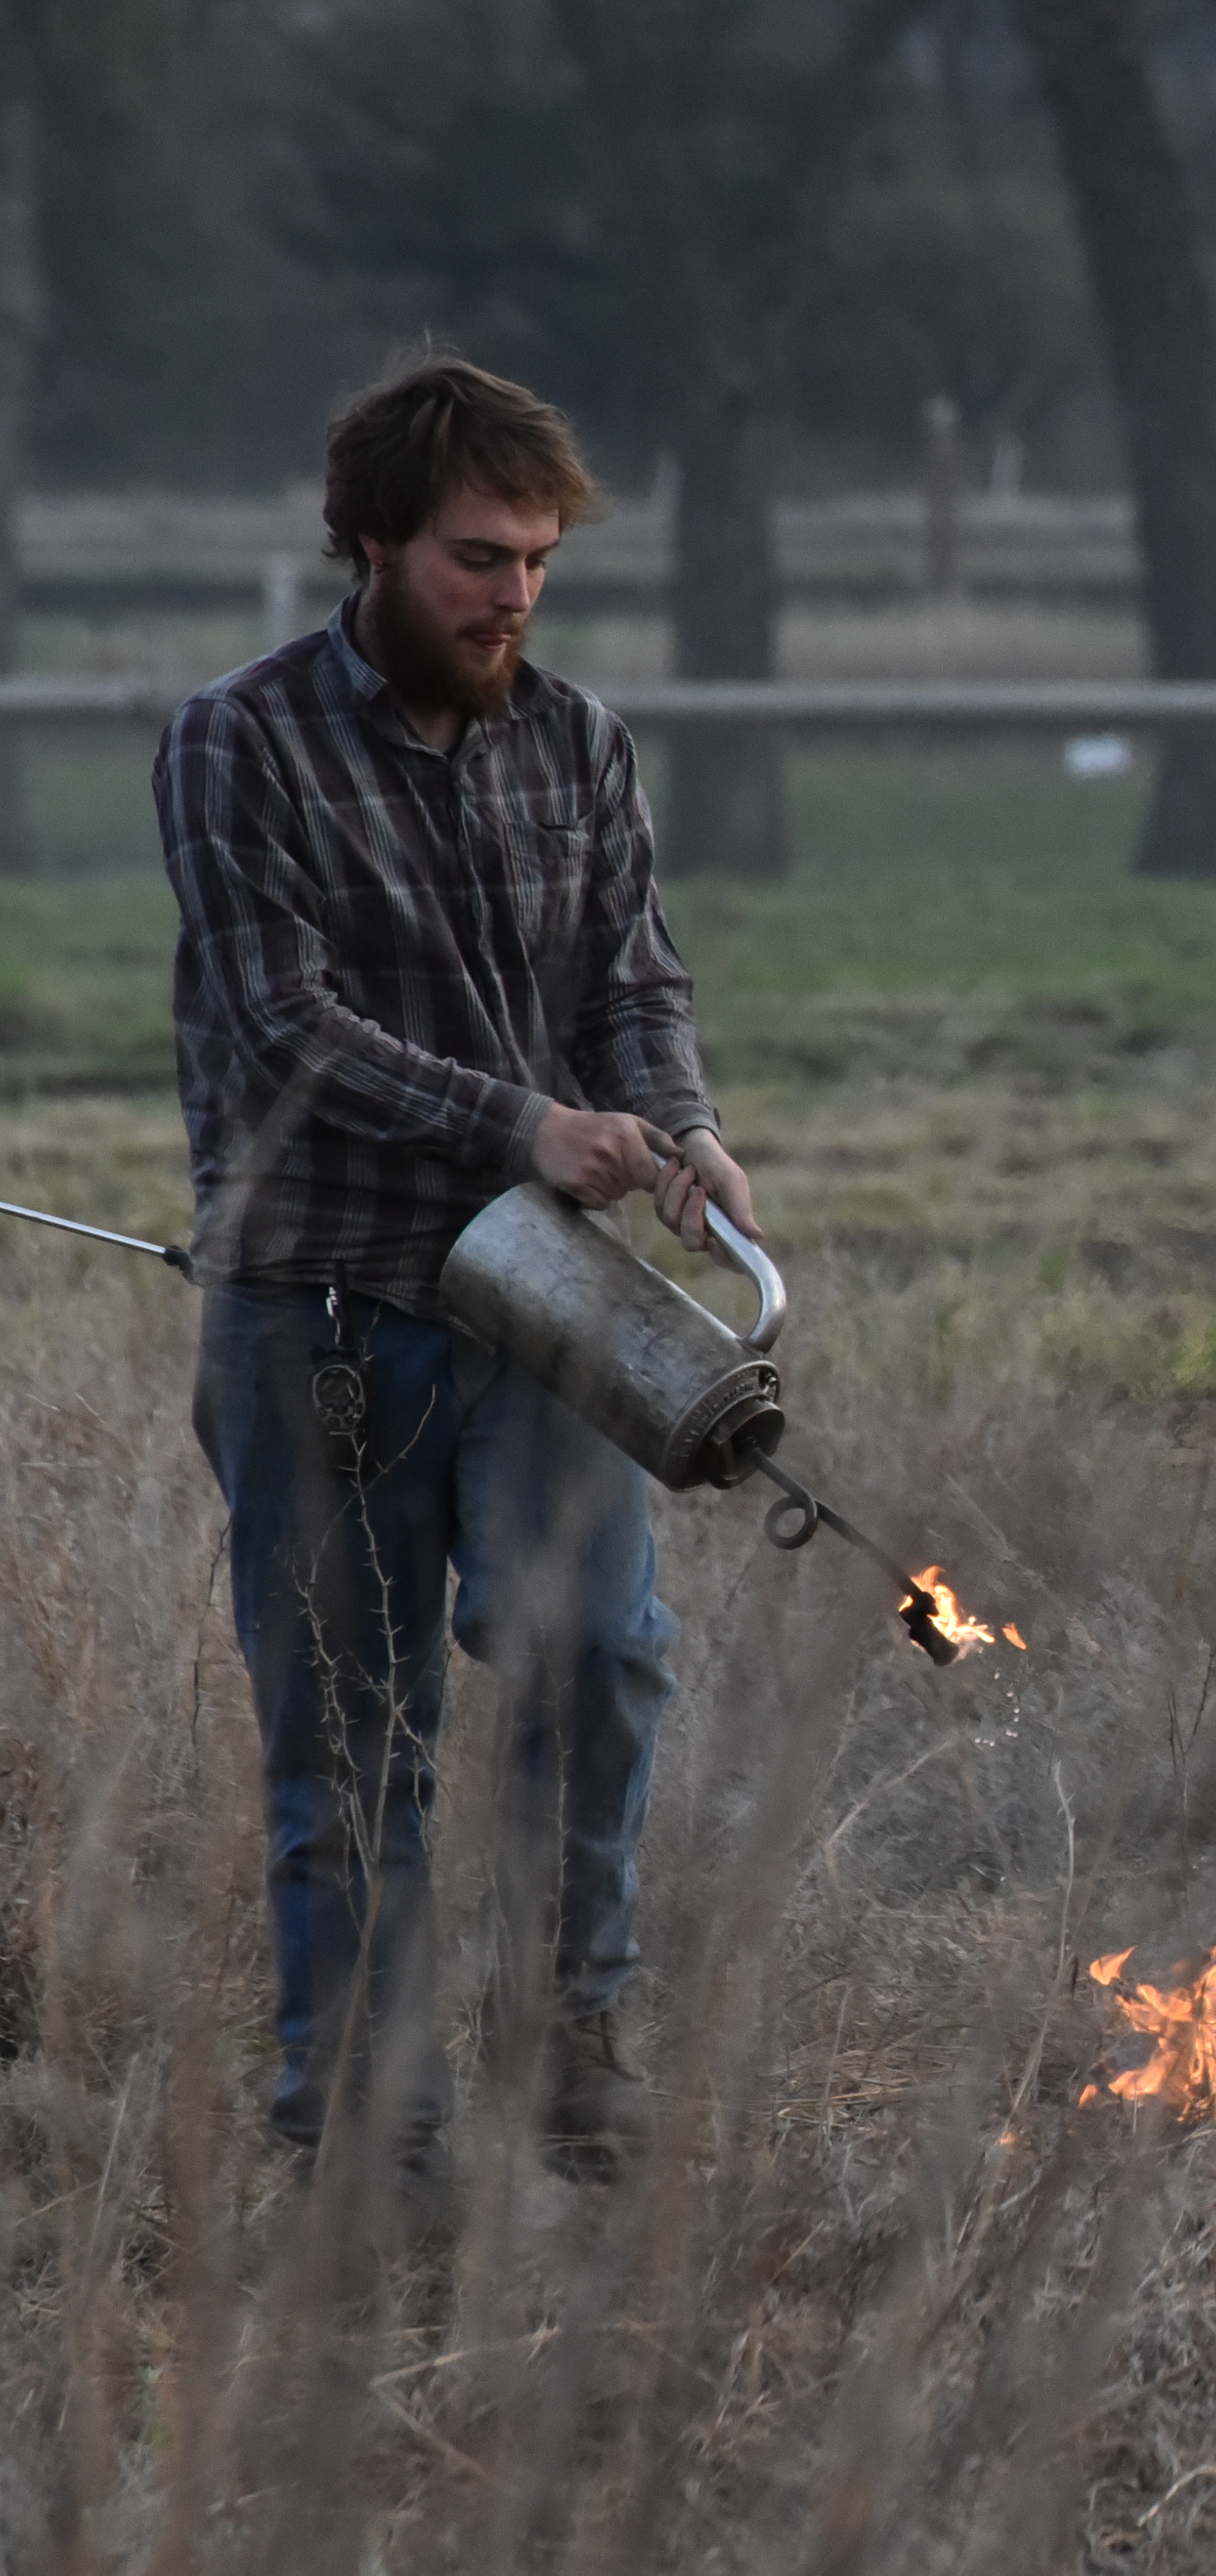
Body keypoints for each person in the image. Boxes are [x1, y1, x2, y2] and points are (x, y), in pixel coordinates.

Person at [155, 353, 759, 2208]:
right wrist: (522, 1125)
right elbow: (281, 1029)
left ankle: (574, 2054)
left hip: (547, 1303)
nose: (512, 598)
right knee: (353, 1720)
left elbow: (631, 982)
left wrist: (672, 1125)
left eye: (540, 565)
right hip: (320, 1300)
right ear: (368, 544)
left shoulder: (575, 739)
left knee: (607, 1660)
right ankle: (358, 2119)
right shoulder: (238, 742)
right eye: (477, 560)